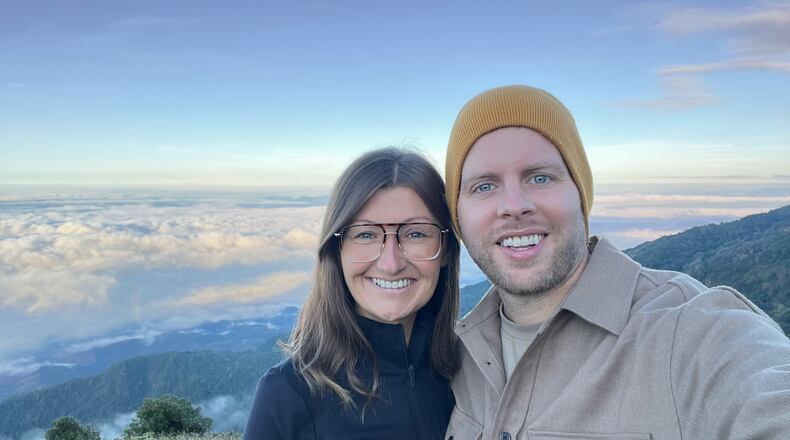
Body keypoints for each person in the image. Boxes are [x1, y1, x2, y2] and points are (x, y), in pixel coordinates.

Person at [442, 85, 790, 440]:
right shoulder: (455, 357)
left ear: (581, 193)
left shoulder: (690, 331)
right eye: (483, 187)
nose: (514, 205)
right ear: (458, 216)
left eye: (540, 177)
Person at [243, 147, 461, 440]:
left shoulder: (465, 374)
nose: (391, 263)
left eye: (416, 234)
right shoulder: (289, 395)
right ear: (337, 250)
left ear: (445, 250)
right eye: (366, 234)